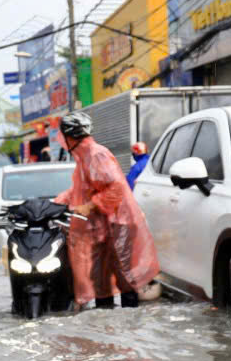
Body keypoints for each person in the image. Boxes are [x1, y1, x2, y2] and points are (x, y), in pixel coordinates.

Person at [53, 112, 160, 310]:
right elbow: (80, 190)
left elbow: (116, 187)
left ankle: (130, 324)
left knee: (124, 278)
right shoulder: (84, 158)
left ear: (69, 136)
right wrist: (56, 202)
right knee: (100, 280)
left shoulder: (96, 154)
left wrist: (90, 205)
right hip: (101, 228)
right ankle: (106, 328)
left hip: (118, 225)